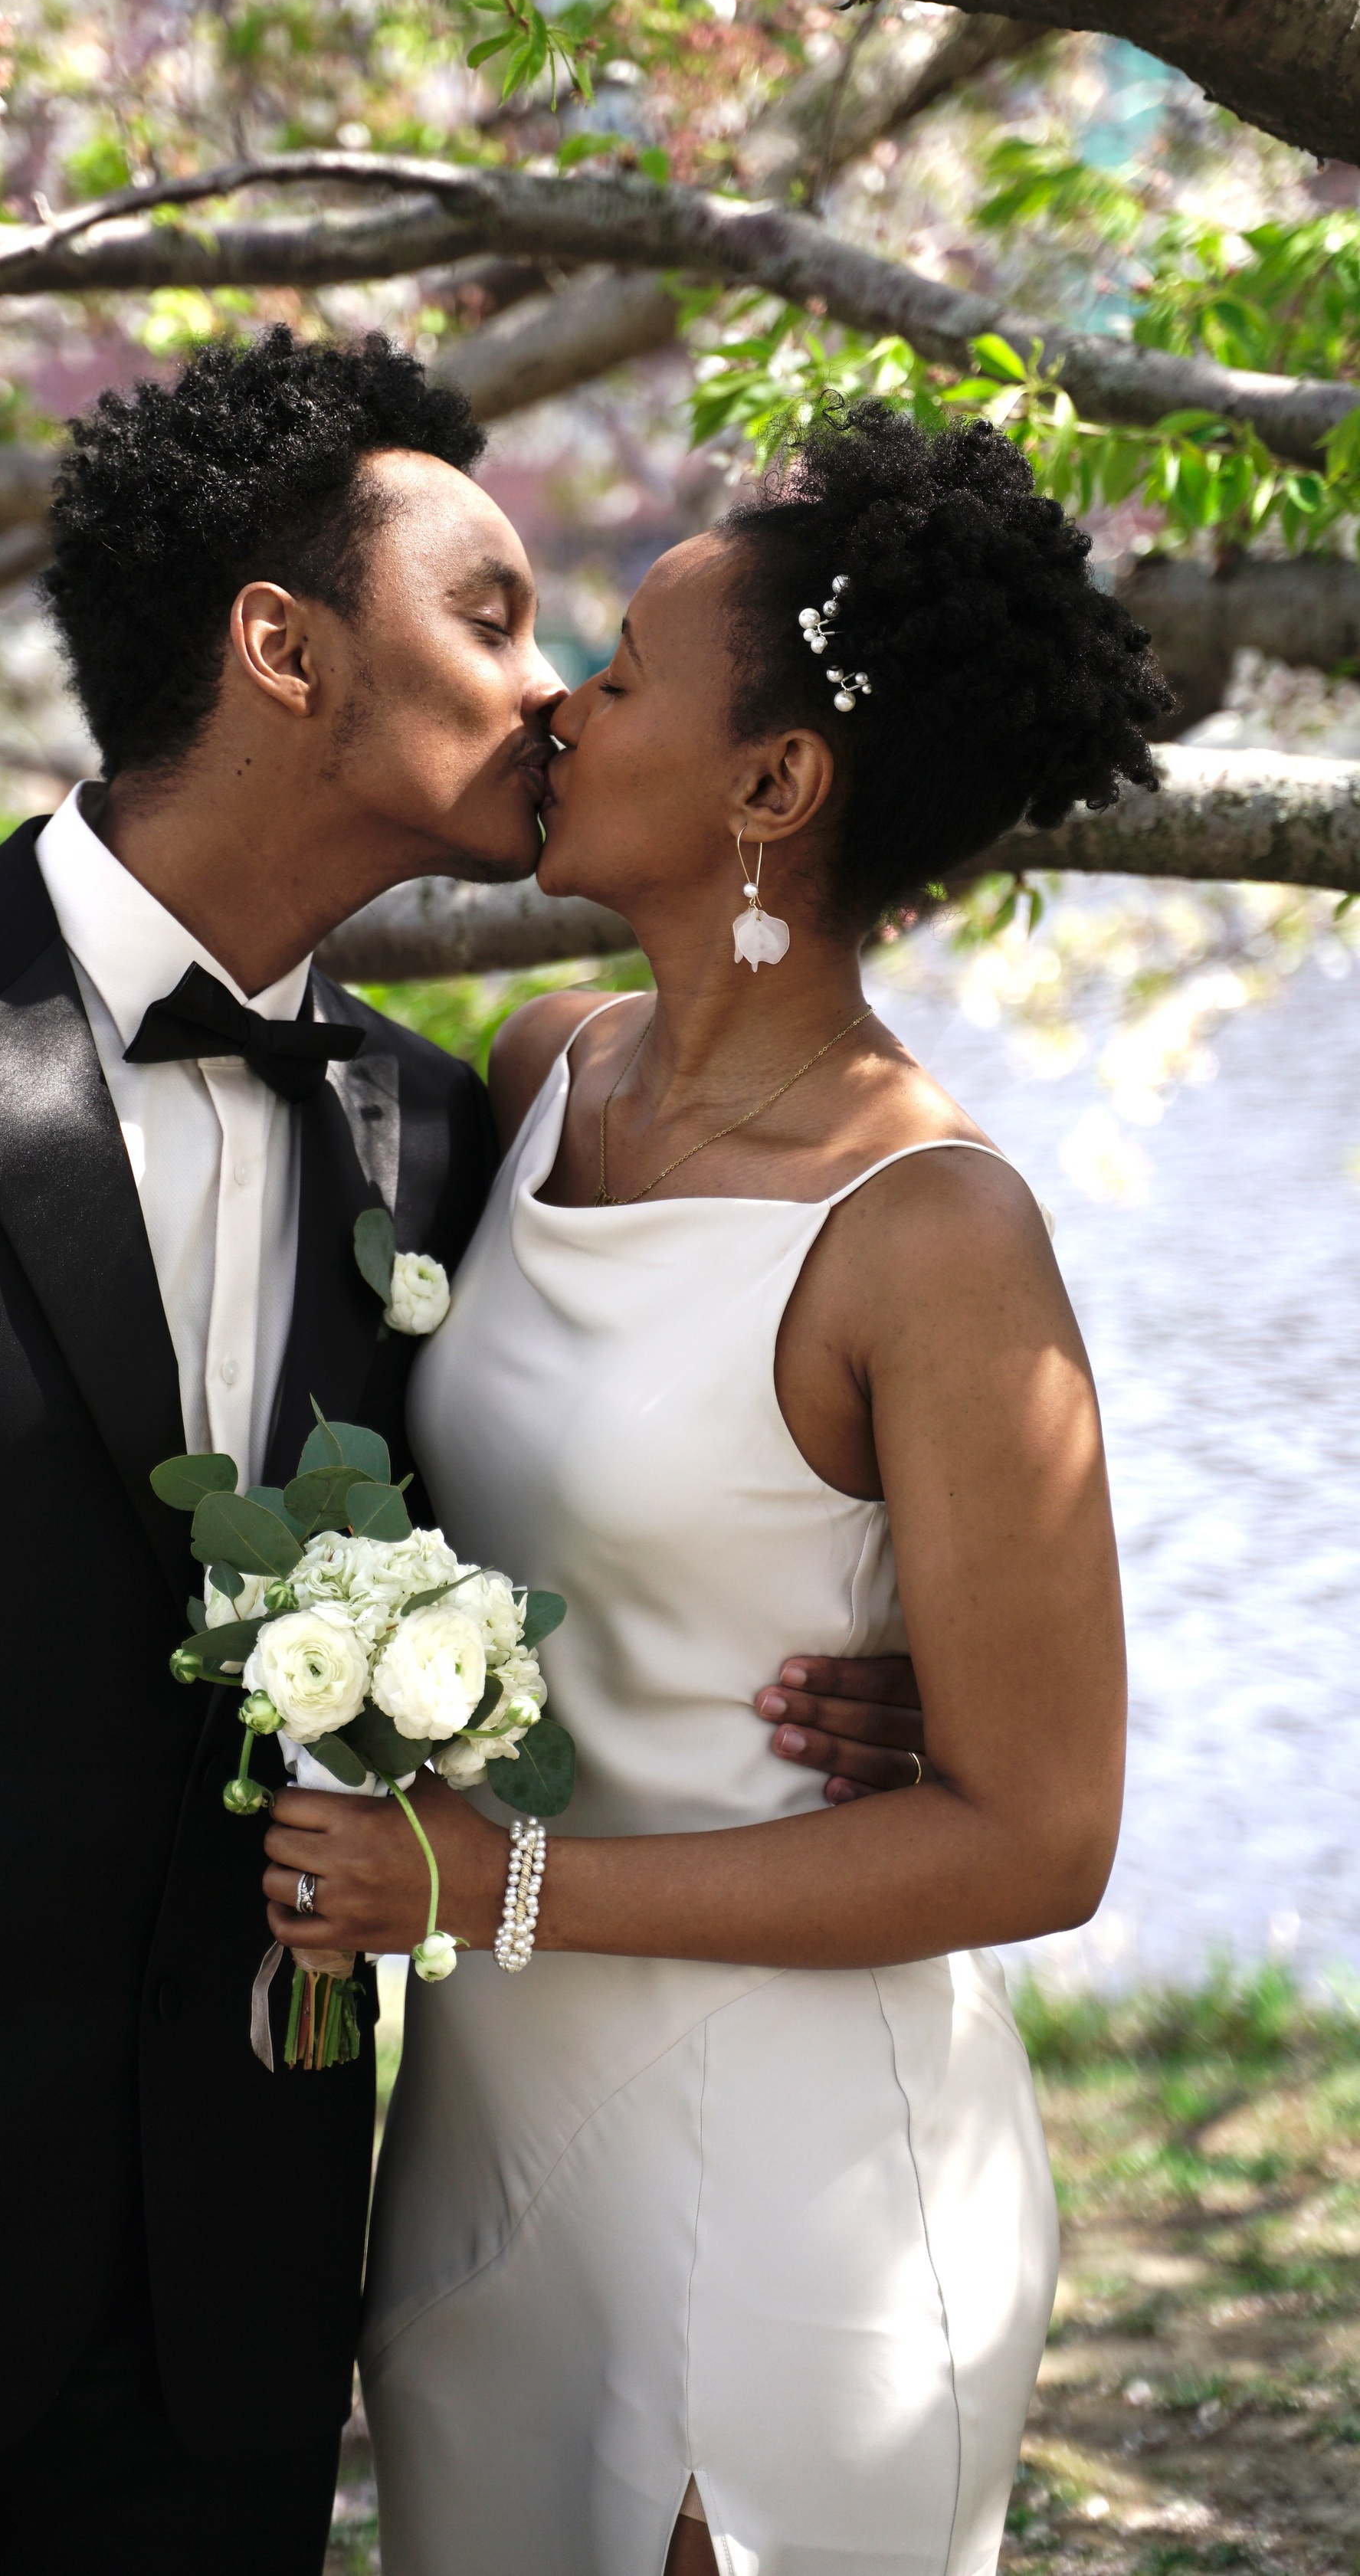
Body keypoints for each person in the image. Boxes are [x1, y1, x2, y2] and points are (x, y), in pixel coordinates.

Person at [0, 332, 917, 2576]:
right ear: (280, 647)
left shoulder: (441, 1133)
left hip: (220, 2320)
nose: (549, 692)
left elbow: (615, 1474)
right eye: (491, 614)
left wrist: (867, 1667)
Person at [261, 400, 1159, 2576]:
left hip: (792, 2178)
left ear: (774, 785)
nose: (564, 697)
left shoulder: (934, 1234)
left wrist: (501, 1891)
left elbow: (1045, 1834)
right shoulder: (538, 1075)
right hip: (490, 2126)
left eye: (630, 674)